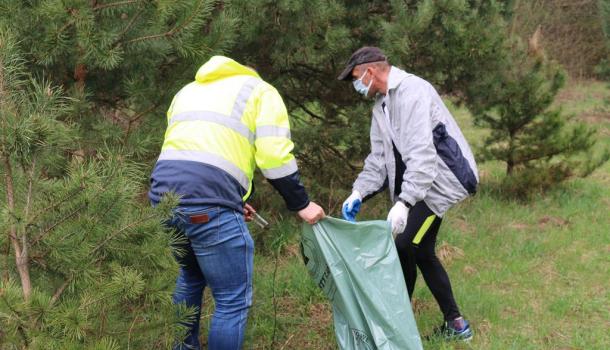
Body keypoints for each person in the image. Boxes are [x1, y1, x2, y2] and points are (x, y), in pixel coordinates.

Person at [149, 56, 325, 349]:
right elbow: (274, 157)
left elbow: (195, 149)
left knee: (190, 276)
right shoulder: (260, 91)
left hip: (163, 198)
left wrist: (233, 200)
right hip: (209, 202)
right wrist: (302, 204)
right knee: (231, 299)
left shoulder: (187, 90)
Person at [338, 47, 478, 341]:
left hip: (442, 183)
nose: (356, 85)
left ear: (371, 71)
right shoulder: (381, 106)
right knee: (421, 250)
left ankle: (395, 326)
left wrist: (405, 202)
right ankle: (456, 325)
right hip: (422, 184)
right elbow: (379, 159)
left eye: (356, 78)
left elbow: (423, 156)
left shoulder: (413, 92)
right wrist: (358, 192)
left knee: (404, 245)